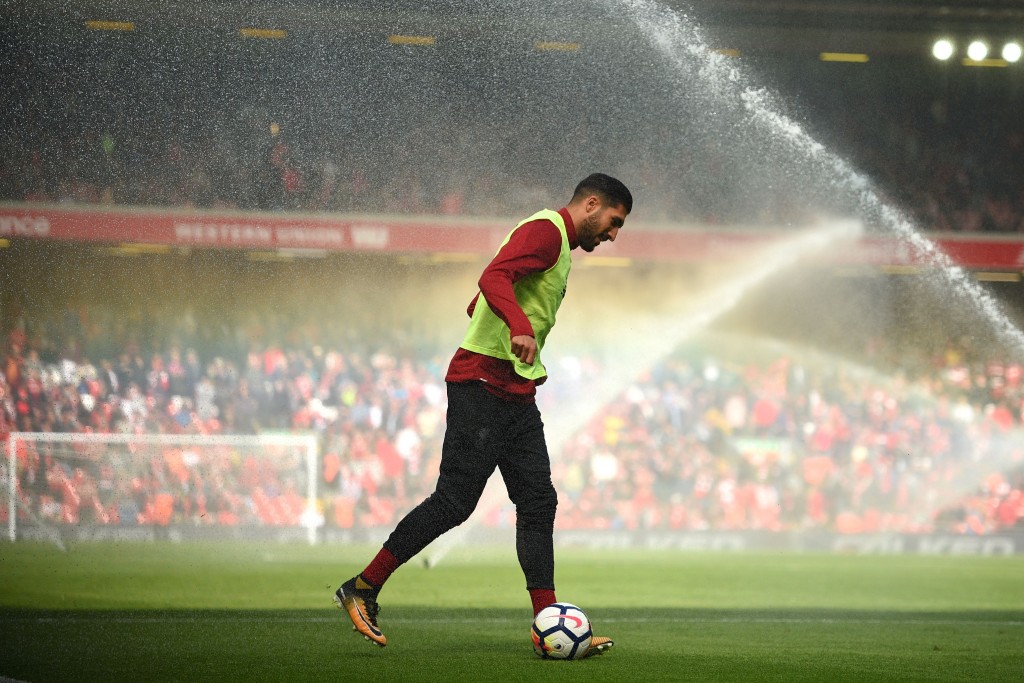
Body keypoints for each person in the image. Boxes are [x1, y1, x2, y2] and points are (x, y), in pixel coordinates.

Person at [335, 173, 633, 656]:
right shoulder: (548, 231)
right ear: (592, 205)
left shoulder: (554, 242)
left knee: (538, 503)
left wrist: (493, 312)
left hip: (514, 389)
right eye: (614, 222)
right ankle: (362, 588)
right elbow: (493, 277)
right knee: (455, 501)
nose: (614, 234)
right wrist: (516, 323)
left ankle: (548, 627)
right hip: (482, 383)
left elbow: (492, 289)